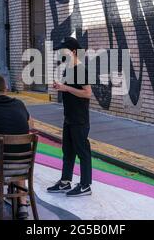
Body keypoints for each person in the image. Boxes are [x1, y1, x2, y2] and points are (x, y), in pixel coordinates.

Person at [47, 37, 93, 197]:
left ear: (73, 51)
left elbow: (87, 93)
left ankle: (86, 185)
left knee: (83, 152)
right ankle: (65, 182)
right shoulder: (69, 69)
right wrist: (61, 87)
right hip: (69, 117)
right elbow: (71, 89)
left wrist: (65, 88)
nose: (61, 53)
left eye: (63, 50)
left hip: (79, 118)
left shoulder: (81, 69)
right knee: (67, 151)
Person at [0, 73, 34, 219]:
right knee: (17, 156)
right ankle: (23, 206)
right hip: (23, 166)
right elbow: (31, 124)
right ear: (6, 88)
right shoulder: (20, 104)